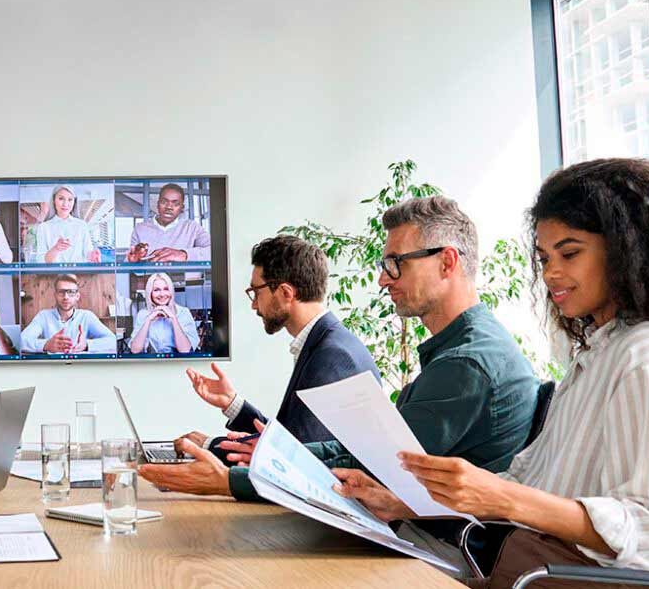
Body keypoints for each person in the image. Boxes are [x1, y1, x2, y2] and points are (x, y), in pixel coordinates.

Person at [140, 196, 538, 562]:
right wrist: (257, 452)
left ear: (447, 262)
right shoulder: (460, 351)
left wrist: (230, 481)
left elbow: (374, 469)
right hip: (422, 532)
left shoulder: (467, 363)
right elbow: (355, 452)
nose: (383, 279)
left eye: (396, 263)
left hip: (439, 548)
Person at [335, 159, 649, 586]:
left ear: (624, 250)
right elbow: (526, 480)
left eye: (570, 253)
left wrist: (504, 497)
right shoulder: (595, 355)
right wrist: (408, 503)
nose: (551, 274)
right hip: (523, 563)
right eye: (544, 258)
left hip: (556, 575)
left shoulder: (642, 358)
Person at [175, 235, 379, 460]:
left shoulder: (332, 355)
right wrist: (232, 403)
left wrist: (207, 445)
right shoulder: (326, 342)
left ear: (285, 293)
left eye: (256, 292)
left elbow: (294, 460)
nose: (254, 304)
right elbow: (290, 439)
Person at [20, 274, 115, 354]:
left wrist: (86, 344)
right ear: (55, 295)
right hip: (51, 369)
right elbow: (21, 341)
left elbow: (112, 341)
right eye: (61, 292)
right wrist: (46, 345)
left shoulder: (87, 316)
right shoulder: (43, 316)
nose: (66, 297)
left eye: (70, 292)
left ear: (77, 296)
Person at [125, 183, 211, 262]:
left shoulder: (192, 227)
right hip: (148, 279)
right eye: (164, 202)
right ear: (158, 205)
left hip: (182, 279)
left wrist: (184, 254)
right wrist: (133, 261)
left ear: (182, 208)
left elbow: (215, 251)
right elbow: (129, 260)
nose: (169, 207)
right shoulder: (140, 229)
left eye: (175, 203)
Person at [128, 272, 199, 354]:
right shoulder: (143, 314)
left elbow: (185, 350)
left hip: (179, 362)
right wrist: (148, 320)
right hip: (153, 362)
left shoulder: (183, 312)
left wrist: (173, 318)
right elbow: (135, 350)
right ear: (150, 293)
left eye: (166, 289)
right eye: (156, 290)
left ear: (171, 291)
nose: (162, 294)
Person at [30, 184, 100, 263]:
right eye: (61, 199)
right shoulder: (43, 227)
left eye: (70, 199)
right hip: (54, 274)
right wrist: (56, 249)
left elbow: (87, 253)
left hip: (79, 274)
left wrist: (93, 256)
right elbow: (41, 261)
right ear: (53, 200)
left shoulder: (82, 225)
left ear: (74, 202)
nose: (65, 204)